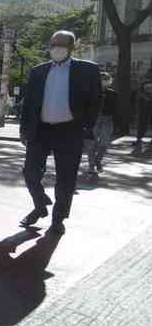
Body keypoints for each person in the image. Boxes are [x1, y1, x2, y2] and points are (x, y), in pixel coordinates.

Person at [19, 31, 101, 235]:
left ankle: (58, 219)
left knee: (66, 178)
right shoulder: (38, 71)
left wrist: (87, 127)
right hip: (41, 130)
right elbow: (28, 104)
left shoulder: (88, 70)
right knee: (30, 173)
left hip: (70, 131)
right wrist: (24, 130)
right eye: (53, 43)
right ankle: (40, 204)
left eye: (62, 44)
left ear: (71, 48)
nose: (56, 47)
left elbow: (96, 101)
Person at [85, 72, 116, 177]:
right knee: (91, 144)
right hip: (94, 119)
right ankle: (91, 165)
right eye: (102, 79)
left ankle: (98, 160)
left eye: (106, 79)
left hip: (107, 119)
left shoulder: (112, 93)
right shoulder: (91, 92)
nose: (104, 81)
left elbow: (116, 109)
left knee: (105, 143)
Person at [133, 75, 152, 156]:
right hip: (143, 107)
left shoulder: (142, 86)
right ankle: (139, 138)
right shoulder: (141, 88)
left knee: (143, 123)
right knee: (142, 123)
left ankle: (139, 138)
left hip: (144, 106)